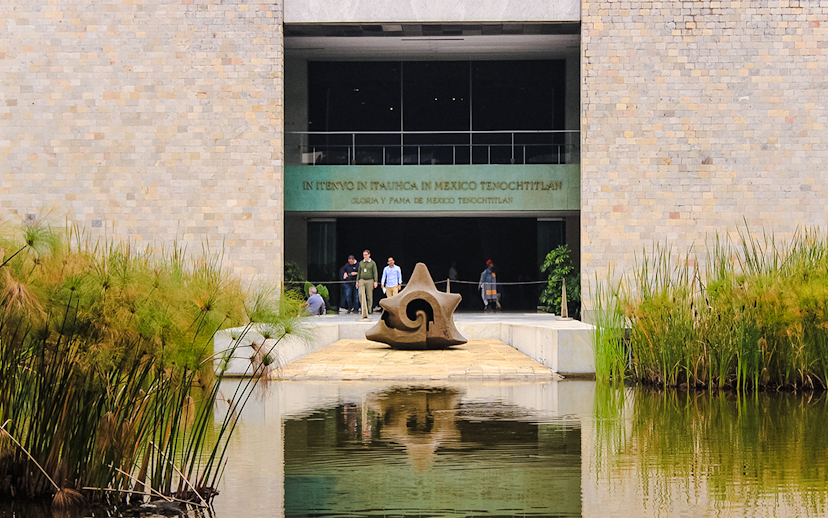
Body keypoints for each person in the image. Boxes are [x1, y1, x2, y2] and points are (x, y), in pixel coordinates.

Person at [357, 249, 378, 318]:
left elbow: (375, 272)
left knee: (369, 296)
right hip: (362, 280)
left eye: (366, 255)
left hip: (370, 280)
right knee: (360, 294)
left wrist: (375, 281)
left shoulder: (372, 263)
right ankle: (363, 308)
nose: (364, 256)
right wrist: (357, 281)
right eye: (364, 255)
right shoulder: (361, 263)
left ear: (369, 255)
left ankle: (369, 309)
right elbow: (359, 272)